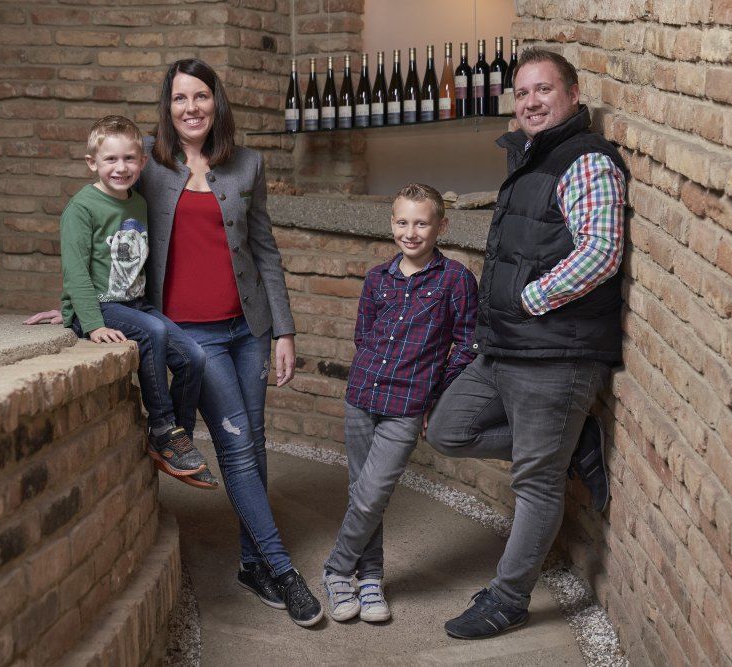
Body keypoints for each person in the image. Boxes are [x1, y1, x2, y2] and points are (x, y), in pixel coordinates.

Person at [29, 60, 324, 627]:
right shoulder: (145, 160)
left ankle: (252, 563)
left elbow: (265, 251)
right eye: (180, 98)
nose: (191, 107)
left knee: (254, 445)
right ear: (166, 106)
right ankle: (285, 571)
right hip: (192, 332)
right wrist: (78, 307)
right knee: (237, 446)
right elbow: (98, 219)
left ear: (217, 102)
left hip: (249, 329)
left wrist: (284, 329)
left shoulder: (247, 165)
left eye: (202, 96)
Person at [425, 48, 628, 639]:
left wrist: (529, 299)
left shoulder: (586, 161)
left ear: (571, 94)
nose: (532, 101)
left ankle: (508, 599)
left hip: (556, 354)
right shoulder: (532, 158)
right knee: (447, 429)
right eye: (522, 92)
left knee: (536, 482)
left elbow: (600, 251)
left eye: (544, 90)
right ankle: (573, 438)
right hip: (509, 347)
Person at [322, 184, 477, 624]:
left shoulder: (456, 281)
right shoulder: (377, 278)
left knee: (372, 495)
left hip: (406, 405)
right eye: (403, 222)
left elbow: (467, 345)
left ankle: (335, 569)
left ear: (440, 226)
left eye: (422, 223)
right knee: (360, 492)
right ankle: (369, 579)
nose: (411, 232)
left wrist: (436, 393)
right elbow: (364, 335)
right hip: (362, 396)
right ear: (392, 224)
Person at [55, 114, 217, 489]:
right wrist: (90, 322)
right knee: (153, 333)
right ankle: (162, 427)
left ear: (142, 162)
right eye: (110, 159)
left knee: (195, 357)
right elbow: (76, 272)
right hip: (101, 306)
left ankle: (178, 438)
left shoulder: (137, 204)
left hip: (133, 304)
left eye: (129, 159)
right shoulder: (81, 208)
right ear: (92, 162)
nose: (121, 167)